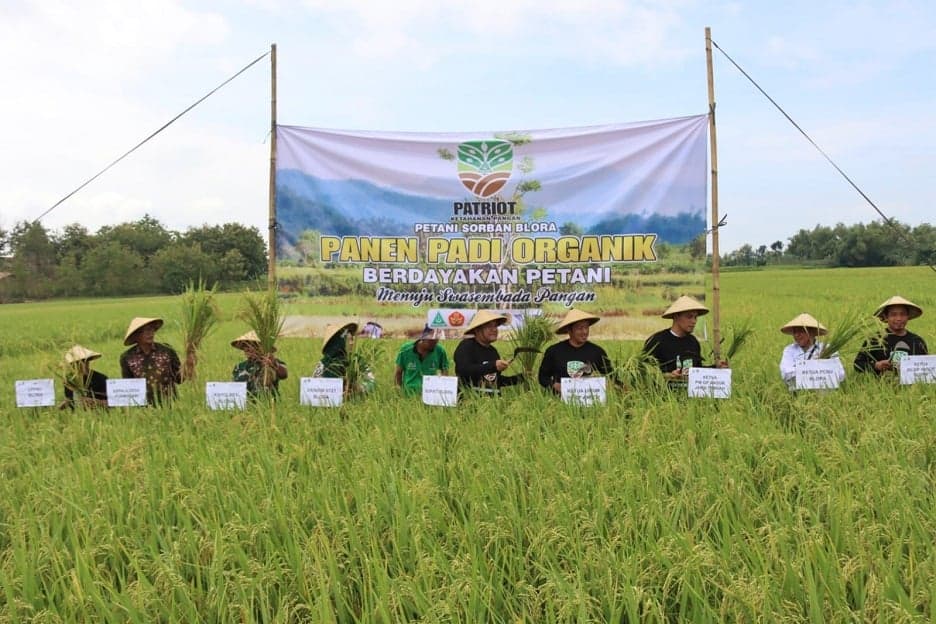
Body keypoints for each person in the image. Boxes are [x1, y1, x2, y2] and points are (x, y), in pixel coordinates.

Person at [642, 296, 728, 386]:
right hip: (663, 393)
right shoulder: (657, 341)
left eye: (695, 317)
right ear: (676, 317)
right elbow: (644, 371)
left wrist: (716, 367)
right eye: (689, 317)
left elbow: (697, 371)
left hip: (689, 394)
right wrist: (668, 376)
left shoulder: (693, 342)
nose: (694, 321)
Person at [538, 309, 614, 394]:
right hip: (560, 401)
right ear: (569, 330)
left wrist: (608, 385)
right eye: (580, 328)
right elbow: (543, 377)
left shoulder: (597, 352)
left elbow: (611, 376)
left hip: (591, 399)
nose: (584, 332)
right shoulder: (554, 351)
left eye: (586, 327)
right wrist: (555, 385)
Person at [453, 310, 523, 394]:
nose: (494, 330)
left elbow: (493, 380)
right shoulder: (466, 346)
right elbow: (464, 370)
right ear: (477, 330)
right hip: (471, 400)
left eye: (495, 326)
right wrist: (493, 365)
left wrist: (520, 378)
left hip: (494, 402)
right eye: (489, 326)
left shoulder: (493, 351)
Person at [854, 295, 928, 375]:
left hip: (912, 387)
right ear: (886, 317)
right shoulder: (875, 340)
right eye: (893, 315)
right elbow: (857, 364)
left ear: (908, 316)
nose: (898, 318)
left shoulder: (917, 341)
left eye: (902, 314)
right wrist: (876, 366)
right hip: (881, 385)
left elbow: (926, 368)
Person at [119, 317, 182, 405]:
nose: (151, 334)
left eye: (152, 330)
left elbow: (180, 379)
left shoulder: (167, 350)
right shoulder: (127, 357)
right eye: (146, 331)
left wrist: (189, 365)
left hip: (170, 404)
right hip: (143, 408)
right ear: (136, 335)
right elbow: (129, 386)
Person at [778, 313, 845, 391]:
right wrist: (815, 367)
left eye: (801, 331)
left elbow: (841, 375)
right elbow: (786, 373)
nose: (797, 335)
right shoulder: (789, 350)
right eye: (794, 332)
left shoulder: (827, 349)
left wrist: (822, 368)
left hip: (825, 397)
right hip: (797, 396)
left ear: (812, 331)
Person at [313, 321, 375, 396]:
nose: (352, 343)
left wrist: (361, 388)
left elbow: (371, 380)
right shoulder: (326, 364)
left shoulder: (357, 360)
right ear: (339, 343)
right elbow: (317, 390)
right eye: (349, 340)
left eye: (352, 339)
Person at [395, 325, 449, 396]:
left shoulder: (440, 351)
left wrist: (441, 385)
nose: (433, 344)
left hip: (430, 394)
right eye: (431, 342)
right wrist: (398, 391)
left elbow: (445, 370)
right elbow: (398, 372)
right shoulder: (405, 350)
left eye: (436, 341)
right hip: (408, 394)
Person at [231, 331, 288, 398]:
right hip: (246, 405)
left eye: (253, 346)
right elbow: (235, 388)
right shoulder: (239, 367)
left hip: (269, 405)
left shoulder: (272, 363)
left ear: (261, 347)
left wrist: (273, 363)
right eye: (245, 346)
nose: (248, 349)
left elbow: (284, 375)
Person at [60, 344, 108, 409]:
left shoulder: (101, 379)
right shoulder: (69, 380)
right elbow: (69, 399)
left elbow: (113, 403)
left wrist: (95, 402)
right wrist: (65, 404)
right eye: (75, 363)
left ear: (88, 361)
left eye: (84, 361)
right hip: (77, 417)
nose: (82, 364)